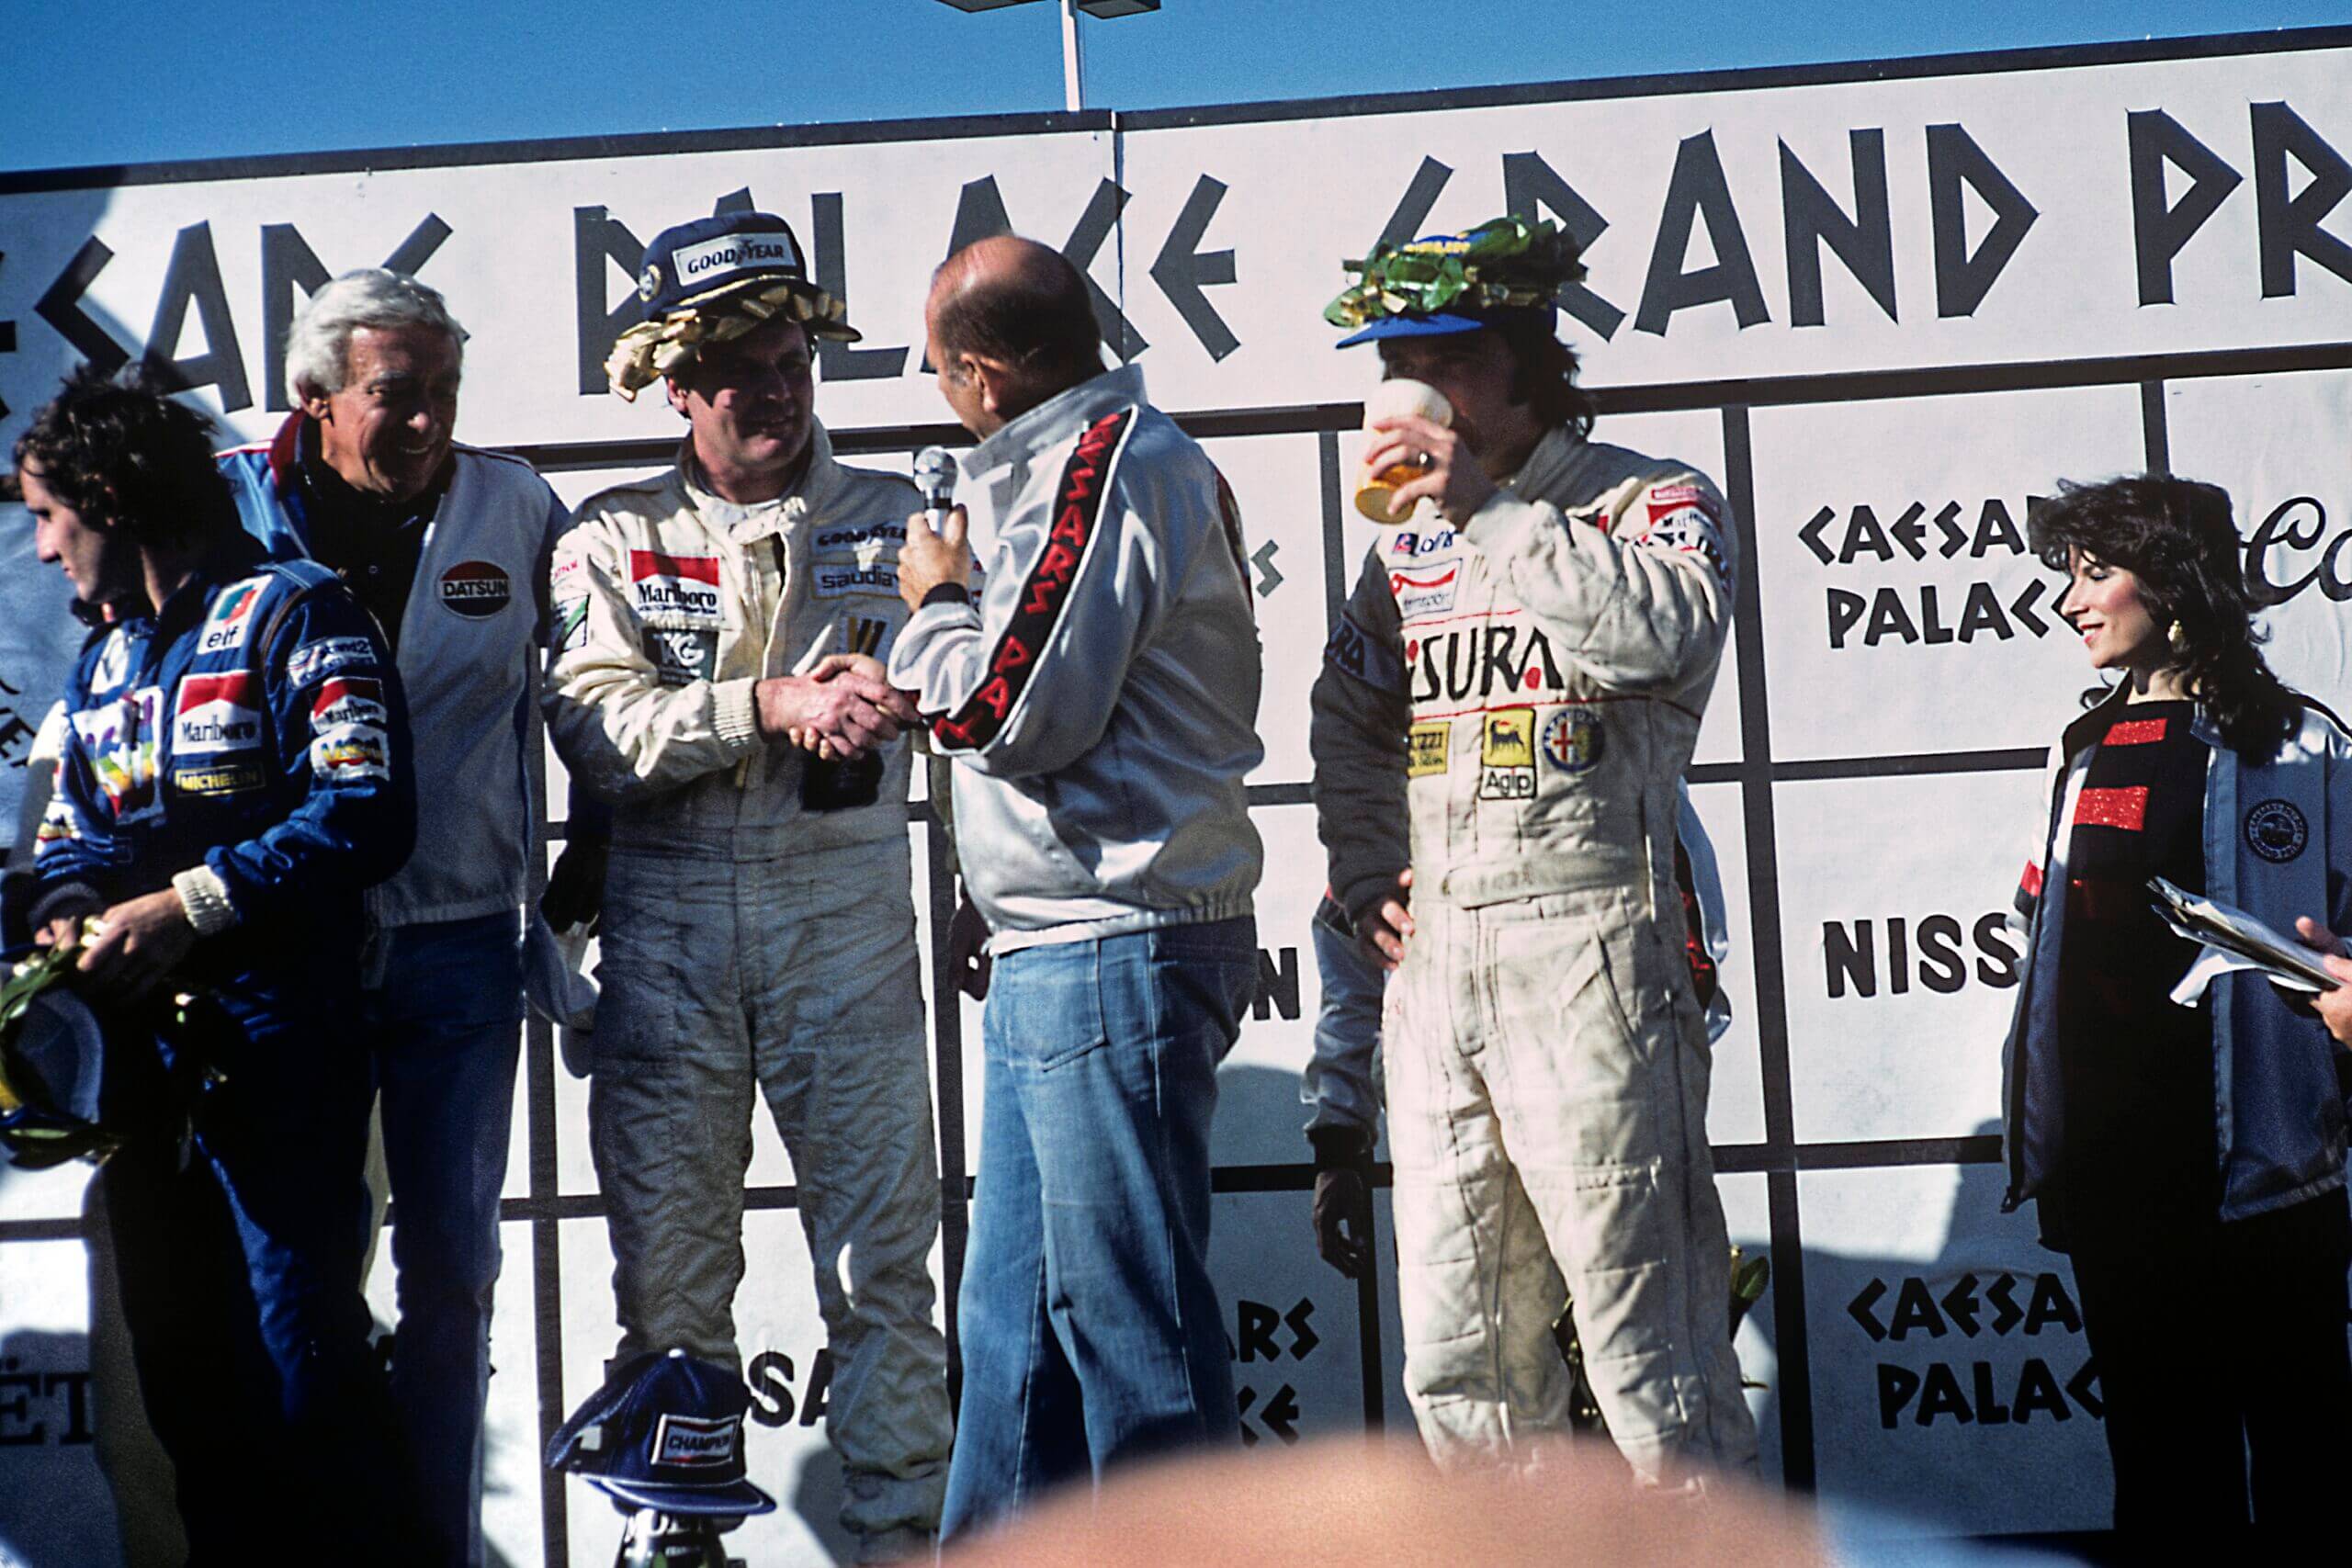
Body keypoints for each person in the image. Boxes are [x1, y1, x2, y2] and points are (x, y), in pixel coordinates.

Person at [1308, 215, 1757, 1484]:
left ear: (1521, 360)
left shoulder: (1652, 495)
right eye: (1391, 360)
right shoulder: (1406, 546)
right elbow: (1347, 713)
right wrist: (1361, 864)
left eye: (1440, 359)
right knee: (1459, 1353)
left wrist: (1490, 510)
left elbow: (1658, 639)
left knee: (1646, 1341)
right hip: (1439, 964)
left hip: (1594, 950)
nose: (1411, 389)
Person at [543, 210, 951, 1564]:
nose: (772, 393)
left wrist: (908, 693)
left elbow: (981, 696)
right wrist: (768, 702)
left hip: (845, 910)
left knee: (883, 1266)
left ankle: (903, 1536)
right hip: (663, 924)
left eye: (790, 363)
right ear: (678, 385)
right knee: (669, 1280)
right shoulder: (609, 535)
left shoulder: (899, 517)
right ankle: (674, 1539)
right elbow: (597, 732)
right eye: (738, 373)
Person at [890, 234, 1264, 1535]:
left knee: (1133, 1336)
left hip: (1117, 942)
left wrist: (936, 603)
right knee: (1017, 1338)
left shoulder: (1111, 464)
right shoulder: (1086, 462)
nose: (941, 396)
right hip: (1062, 940)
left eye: (941, 372)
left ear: (985, 375)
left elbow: (1010, 709)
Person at [16, 367, 419, 1560]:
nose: (41, 551)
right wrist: (69, 907)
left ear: (104, 490)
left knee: (304, 1363)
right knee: (186, 1381)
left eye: (47, 514)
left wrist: (191, 904)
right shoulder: (105, 660)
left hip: (277, 1038)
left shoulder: (299, 607)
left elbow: (370, 805)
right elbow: (70, 836)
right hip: (139, 1069)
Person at [213, 266, 574, 1566]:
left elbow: (596, 680)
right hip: (284, 943)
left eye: (443, 393)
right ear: (314, 399)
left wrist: (582, 876)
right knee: (297, 1274)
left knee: (454, 1276)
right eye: (393, 396)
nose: (426, 421)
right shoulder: (229, 505)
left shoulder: (515, 503)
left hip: (459, 937)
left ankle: (433, 1543)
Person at [2003, 474, 2351, 1538]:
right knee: (2162, 1485)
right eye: (2067, 574)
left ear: (2175, 579)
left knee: (2307, 1476)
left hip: (2266, 1184)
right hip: (2118, 1185)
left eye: (2094, 572)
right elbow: (2042, 934)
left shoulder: (2301, 743)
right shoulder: (2078, 749)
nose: (2070, 601)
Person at [1306, 786, 1735, 1283]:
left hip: (1596, 1134)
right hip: (1450, 1147)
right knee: (1464, 1351)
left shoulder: (1616, 748)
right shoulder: (1406, 781)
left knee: (1625, 1339)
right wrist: (1339, 1148)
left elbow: (1689, 962)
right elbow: (1351, 973)